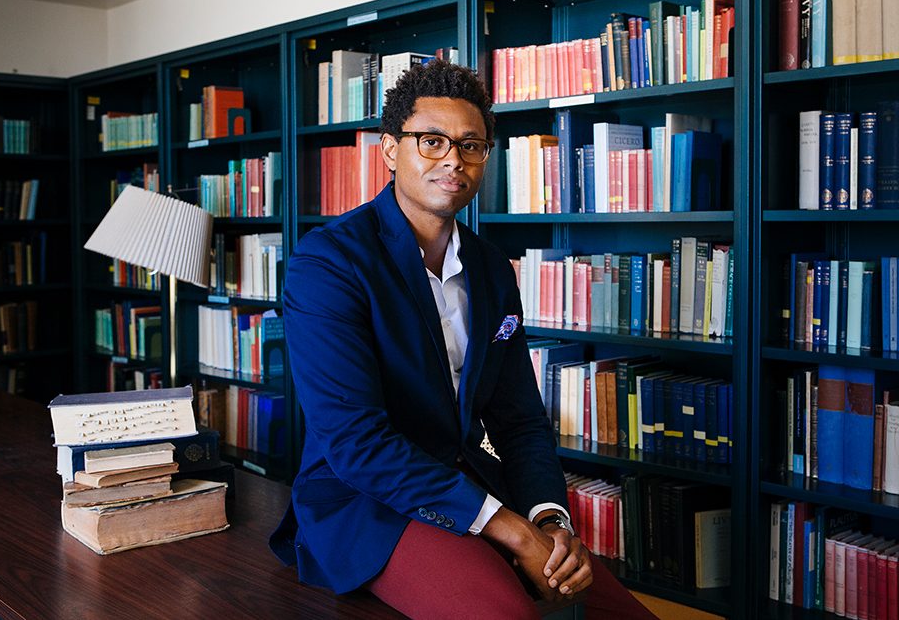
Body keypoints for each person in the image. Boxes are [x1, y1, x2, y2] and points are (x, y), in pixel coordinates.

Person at [270, 59, 657, 620]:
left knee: (624, 613)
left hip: (471, 480)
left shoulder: (492, 267)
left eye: (471, 146)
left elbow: (520, 419)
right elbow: (356, 441)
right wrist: (514, 532)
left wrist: (549, 520)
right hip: (366, 501)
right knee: (507, 614)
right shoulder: (328, 262)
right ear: (389, 150)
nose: (453, 159)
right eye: (432, 141)